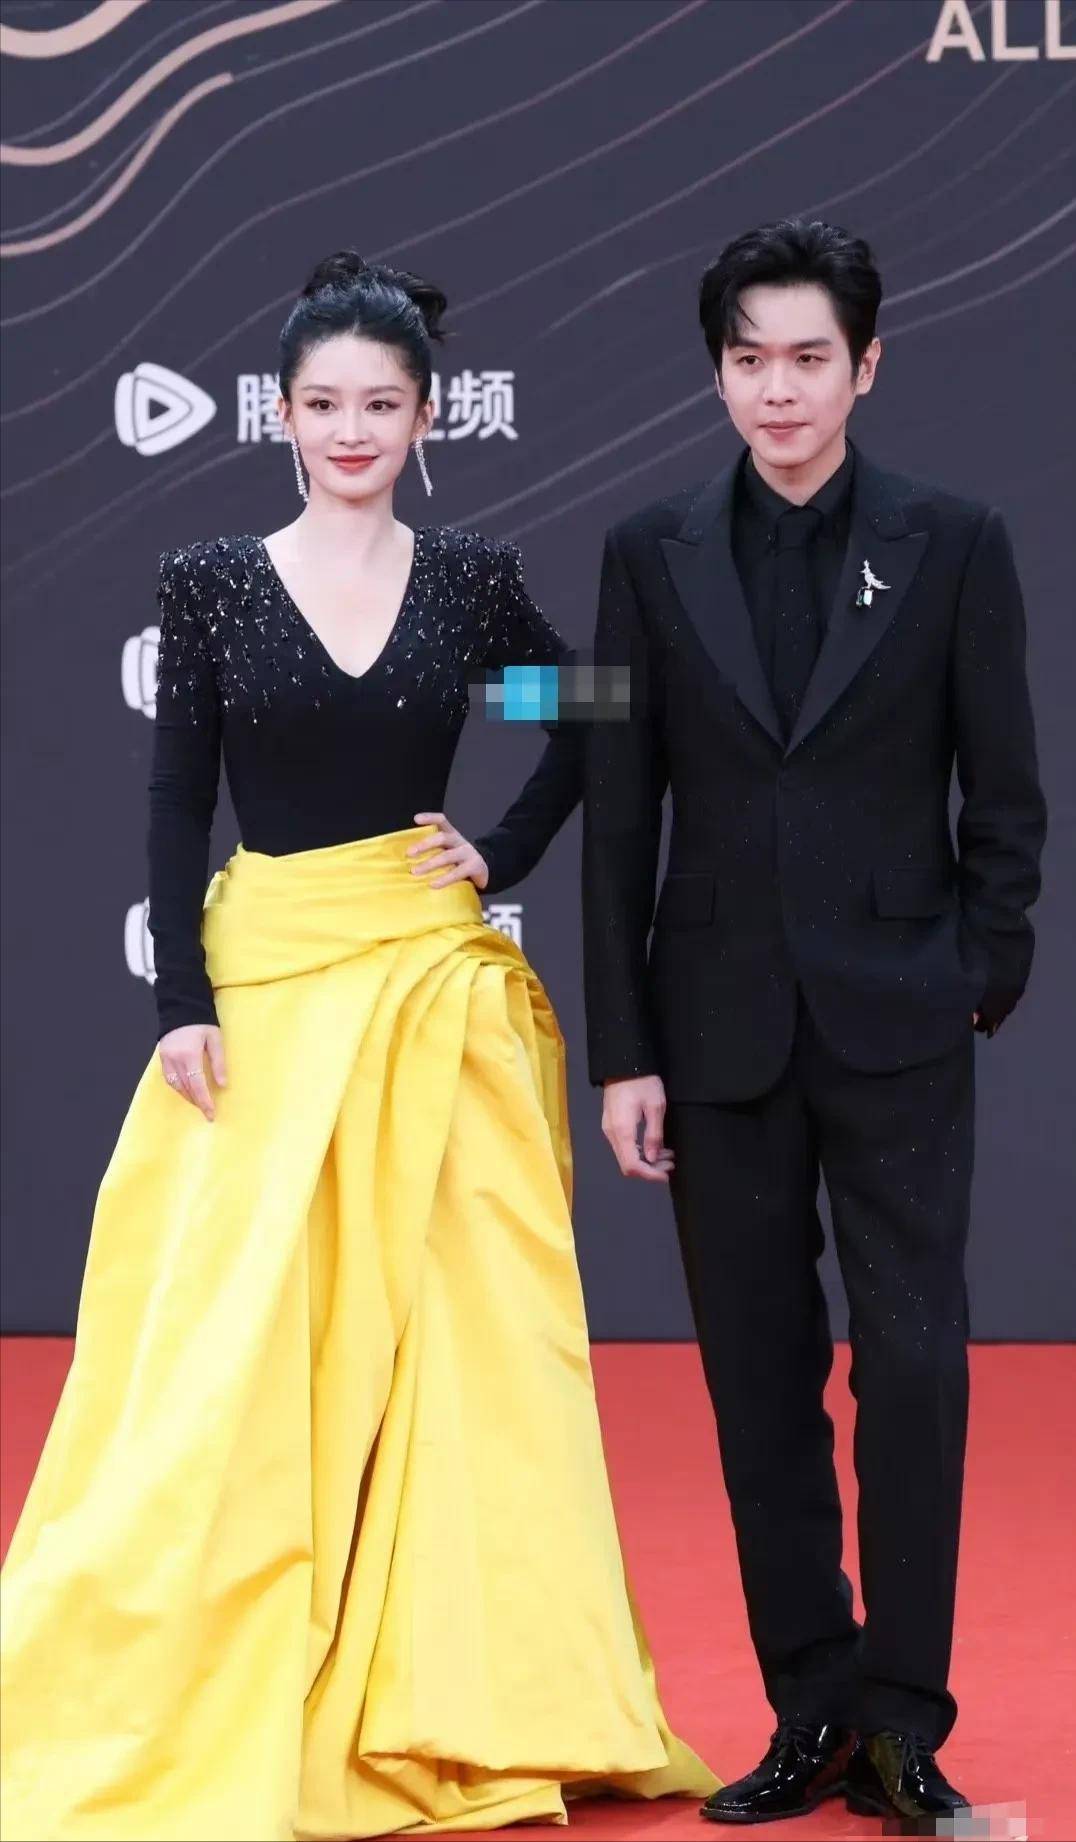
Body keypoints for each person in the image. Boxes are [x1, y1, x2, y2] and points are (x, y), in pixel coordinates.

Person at [0, 253, 717, 1842]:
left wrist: (499, 849)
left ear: (424, 417)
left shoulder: (466, 582)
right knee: (236, 1352)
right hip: (265, 985)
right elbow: (177, 796)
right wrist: (180, 1001)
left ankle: (465, 1695)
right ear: (280, 414)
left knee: (469, 1342)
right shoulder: (212, 580)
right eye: (322, 402)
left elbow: (599, 708)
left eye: (378, 405)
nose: (348, 429)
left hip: (423, 987)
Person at [582, 217, 1046, 1827]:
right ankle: (814, 1709)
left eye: (807, 357)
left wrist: (980, 969)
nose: (777, 388)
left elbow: (1007, 790)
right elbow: (620, 804)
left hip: (900, 1022)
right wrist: (624, 1050)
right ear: (717, 373)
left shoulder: (954, 542)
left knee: (915, 1371)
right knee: (756, 1384)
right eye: (748, 359)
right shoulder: (647, 553)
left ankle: (907, 1722)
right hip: (714, 1036)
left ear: (867, 363)